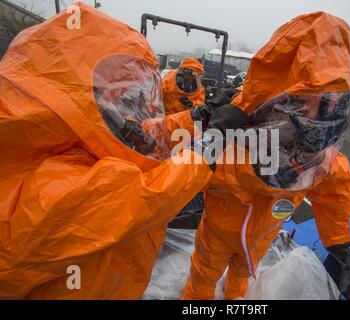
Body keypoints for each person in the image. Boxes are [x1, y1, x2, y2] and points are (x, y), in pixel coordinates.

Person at [0, 3, 247, 299]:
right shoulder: (50, 186)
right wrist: (212, 142)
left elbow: (142, 135)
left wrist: (200, 115)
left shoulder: (78, 132)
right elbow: (149, 194)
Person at [182, 12, 350, 300]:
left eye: (326, 104)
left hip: (259, 240)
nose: (311, 119)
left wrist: (340, 244)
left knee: (240, 277)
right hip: (218, 229)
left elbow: (336, 188)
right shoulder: (230, 128)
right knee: (203, 276)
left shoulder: (323, 156)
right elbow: (185, 171)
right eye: (302, 105)